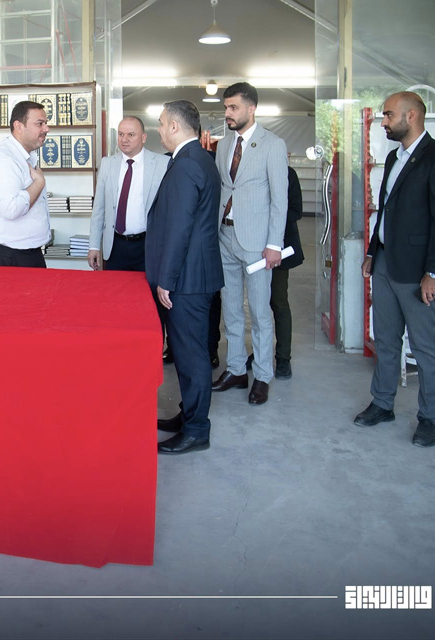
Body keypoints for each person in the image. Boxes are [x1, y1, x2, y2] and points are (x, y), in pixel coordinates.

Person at [354, 91, 435, 448]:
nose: (383, 122)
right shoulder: (394, 157)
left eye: (388, 115)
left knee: (425, 346)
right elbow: (385, 210)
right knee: (386, 339)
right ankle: (383, 403)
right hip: (386, 262)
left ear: (411, 116)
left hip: (418, 271)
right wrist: (373, 252)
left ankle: (430, 418)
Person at [146, 101, 223, 455]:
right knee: (187, 352)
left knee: (191, 356)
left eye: (162, 123)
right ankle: (189, 414)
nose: (159, 130)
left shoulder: (188, 163)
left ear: (175, 126)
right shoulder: (197, 159)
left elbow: (180, 228)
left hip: (187, 280)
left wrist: (167, 278)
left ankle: (196, 430)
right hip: (194, 274)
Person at [212, 82, 288, 406]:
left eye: (233, 108)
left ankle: (263, 376)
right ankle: (235, 370)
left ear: (251, 108)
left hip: (257, 243)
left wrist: (274, 244)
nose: (227, 113)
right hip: (225, 237)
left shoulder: (273, 145)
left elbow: (279, 200)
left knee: (259, 312)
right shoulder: (223, 145)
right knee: (231, 310)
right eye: (226, 108)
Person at [240, 162, 306, 379]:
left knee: (278, 302)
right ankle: (261, 352)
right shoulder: (251, 172)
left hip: (278, 248)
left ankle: (283, 358)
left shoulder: (288, 174)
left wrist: (266, 218)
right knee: (257, 304)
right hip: (252, 246)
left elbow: (295, 211)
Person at [0, 100, 50, 267]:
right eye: (40, 124)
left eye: (45, 123)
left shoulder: (24, 156)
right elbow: (11, 209)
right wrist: (39, 183)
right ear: (19, 126)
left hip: (22, 252)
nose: (46, 129)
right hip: (7, 255)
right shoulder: (3, 159)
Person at [88, 116, 167, 271]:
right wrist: (94, 246)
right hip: (115, 245)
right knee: (115, 286)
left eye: (131, 135)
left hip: (147, 245)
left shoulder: (162, 164)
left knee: (145, 287)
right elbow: (99, 209)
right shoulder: (107, 164)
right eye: (121, 134)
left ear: (143, 138)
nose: (124, 140)